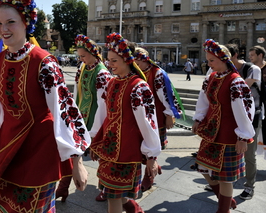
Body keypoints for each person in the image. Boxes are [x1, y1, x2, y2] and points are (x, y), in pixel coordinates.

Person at [0, 0, 90, 212]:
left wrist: (77, 160)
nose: (3, 29)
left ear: (26, 22)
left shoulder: (44, 62)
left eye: (10, 22)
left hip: (39, 149)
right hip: (7, 147)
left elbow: (64, 109)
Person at [90, 33, 161, 213]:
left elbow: (148, 122)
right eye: (108, 60)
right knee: (115, 194)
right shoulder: (112, 83)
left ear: (127, 60)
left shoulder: (139, 87)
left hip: (127, 152)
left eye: (114, 61)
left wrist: (152, 155)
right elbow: (102, 113)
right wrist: (94, 140)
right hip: (108, 149)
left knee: (114, 197)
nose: (109, 64)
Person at [192, 39, 255, 213]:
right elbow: (203, 100)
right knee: (203, 167)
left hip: (229, 134)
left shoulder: (235, 82)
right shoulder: (211, 77)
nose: (208, 64)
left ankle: (223, 209)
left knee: (226, 178)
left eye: (212, 60)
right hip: (211, 132)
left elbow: (244, 111)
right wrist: (198, 119)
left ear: (223, 59)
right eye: (208, 60)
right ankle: (225, 200)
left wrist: (243, 137)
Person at [56, 34, 112, 203]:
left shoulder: (102, 73)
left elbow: (104, 104)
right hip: (80, 118)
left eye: (83, 56)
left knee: (103, 155)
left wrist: (97, 130)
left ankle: (106, 188)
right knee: (72, 152)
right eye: (79, 56)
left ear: (93, 53)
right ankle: (63, 188)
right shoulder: (82, 67)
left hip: (97, 120)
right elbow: (76, 92)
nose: (80, 59)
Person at [133, 47, 183, 192]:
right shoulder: (136, 72)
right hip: (140, 117)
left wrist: (169, 115)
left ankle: (149, 177)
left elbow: (167, 96)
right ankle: (153, 169)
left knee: (152, 148)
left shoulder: (157, 73)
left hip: (156, 118)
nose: (135, 64)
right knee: (139, 148)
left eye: (137, 61)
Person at [226, 44, 261, 200]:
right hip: (230, 116)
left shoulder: (252, 69)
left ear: (234, 56)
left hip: (251, 116)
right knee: (229, 150)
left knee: (248, 154)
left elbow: (241, 88)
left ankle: (249, 186)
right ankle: (226, 181)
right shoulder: (221, 70)